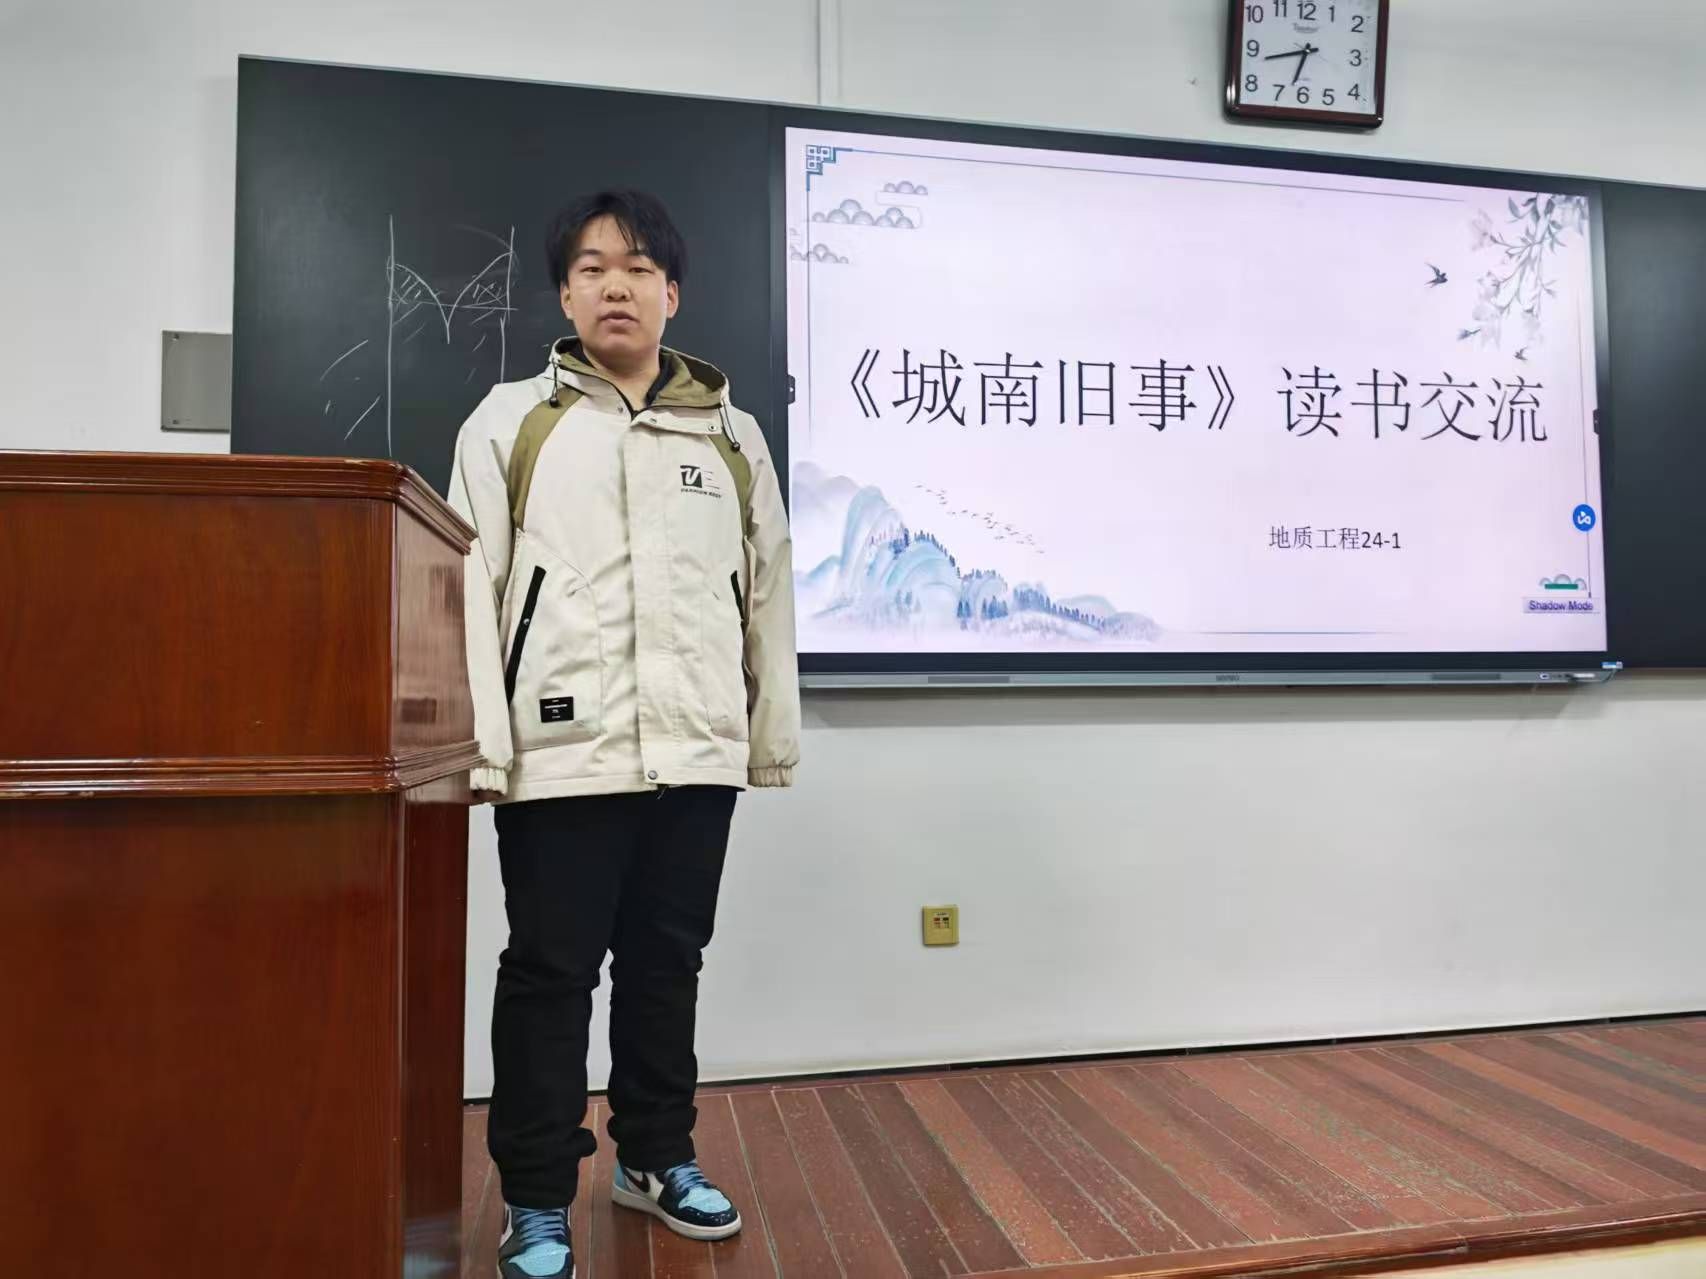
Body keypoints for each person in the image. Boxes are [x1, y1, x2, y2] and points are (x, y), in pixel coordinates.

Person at [447, 189, 800, 1279]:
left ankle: (655, 1155)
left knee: (666, 963)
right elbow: (469, 589)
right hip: (563, 755)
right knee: (549, 975)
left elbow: (768, 594)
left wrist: (765, 738)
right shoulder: (509, 421)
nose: (617, 285)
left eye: (639, 267)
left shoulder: (731, 433)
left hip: (694, 752)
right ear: (564, 294)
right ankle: (537, 1197)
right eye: (593, 267)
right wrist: (486, 746)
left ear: (671, 294)